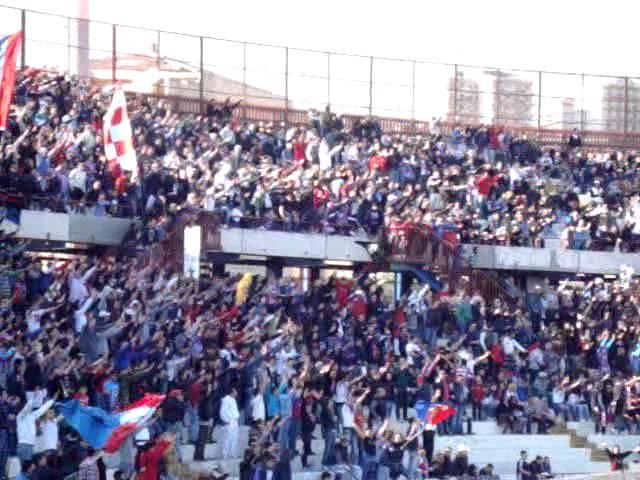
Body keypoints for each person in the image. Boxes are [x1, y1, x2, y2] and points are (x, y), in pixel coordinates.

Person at [220, 388, 240, 459]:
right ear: (231, 392)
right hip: (229, 421)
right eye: (235, 391)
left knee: (234, 437)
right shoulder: (226, 400)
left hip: (235, 420)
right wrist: (226, 420)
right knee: (228, 437)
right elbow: (222, 411)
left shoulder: (233, 400)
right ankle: (225, 453)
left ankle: (232, 452)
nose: (236, 393)